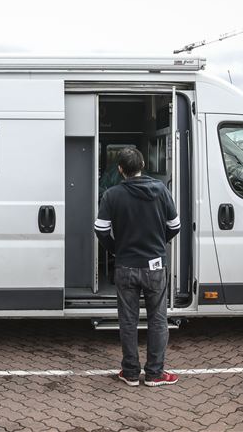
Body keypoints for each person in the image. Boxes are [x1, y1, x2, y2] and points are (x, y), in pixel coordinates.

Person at [94, 148, 181, 387]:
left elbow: (100, 229)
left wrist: (116, 249)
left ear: (120, 169)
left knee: (128, 320)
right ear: (142, 164)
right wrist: (158, 243)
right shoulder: (161, 190)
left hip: (125, 266)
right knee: (158, 320)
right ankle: (155, 373)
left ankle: (130, 372)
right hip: (155, 267)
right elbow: (175, 225)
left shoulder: (112, 195)